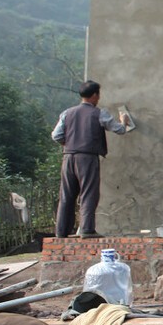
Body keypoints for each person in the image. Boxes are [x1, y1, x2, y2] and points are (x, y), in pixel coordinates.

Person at [52, 80, 132, 239]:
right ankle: (87, 230)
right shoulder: (99, 113)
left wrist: (70, 144)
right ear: (95, 95)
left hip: (68, 157)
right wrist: (124, 121)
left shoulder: (67, 113)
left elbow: (56, 136)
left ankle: (61, 232)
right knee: (88, 193)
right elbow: (119, 130)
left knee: (67, 194)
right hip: (87, 157)